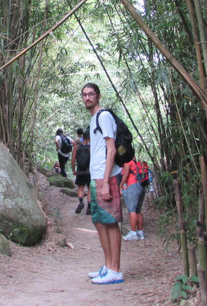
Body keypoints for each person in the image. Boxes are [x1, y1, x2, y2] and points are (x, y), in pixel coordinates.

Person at [82, 83, 123, 285]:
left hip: (106, 176)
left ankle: (115, 269)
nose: (87, 97)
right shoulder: (94, 118)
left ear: (98, 96)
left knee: (110, 221)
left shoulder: (104, 116)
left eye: (91, 94)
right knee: (99, 222)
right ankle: (108, 267)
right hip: (96, 176)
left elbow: (112, 150)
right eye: (85, 94)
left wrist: (106, 182)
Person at [120, 157, 146, 240]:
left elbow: (126, 174)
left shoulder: (127, 162)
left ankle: (133, 233)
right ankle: (140, 232)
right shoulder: (136, 163)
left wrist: (121, 185)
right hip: (140, 187)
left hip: (132, 186)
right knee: (138, 210)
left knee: (132, 210)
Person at [71, 127, 91, 215]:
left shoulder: (77, 146)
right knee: (89, 188)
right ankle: (89, 207)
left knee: (80, 188)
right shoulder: (92, 147)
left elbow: (73, 159)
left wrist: (73, 170)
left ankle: (81, 202)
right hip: (89, 171)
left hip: (80, 170)